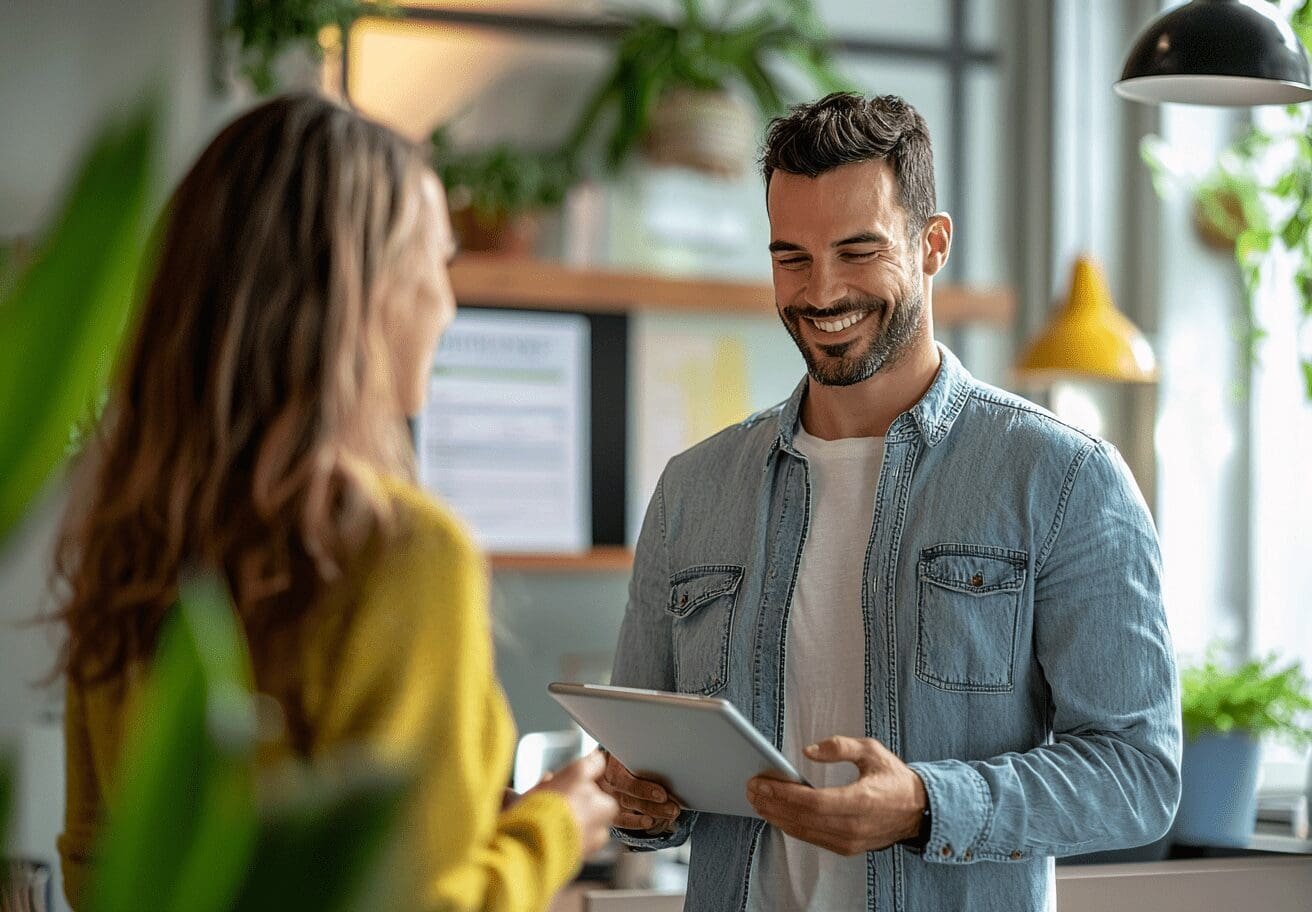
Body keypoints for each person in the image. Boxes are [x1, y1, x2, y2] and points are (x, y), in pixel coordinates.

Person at [600, 92, 1181, 912]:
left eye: (858, 250)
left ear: (931, 243)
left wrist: (924, 805)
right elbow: (643, 775)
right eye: (791, 257)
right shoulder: (693, 490)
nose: (821, 291)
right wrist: (636, 803)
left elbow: (1138, 776)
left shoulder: (1065, 480)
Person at [53, 92, 617, 911]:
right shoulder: (401, 549)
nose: (448, 304)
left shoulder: (131, 541)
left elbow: (97, 872)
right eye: (438, 262)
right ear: (367, 289)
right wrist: (553, 829)